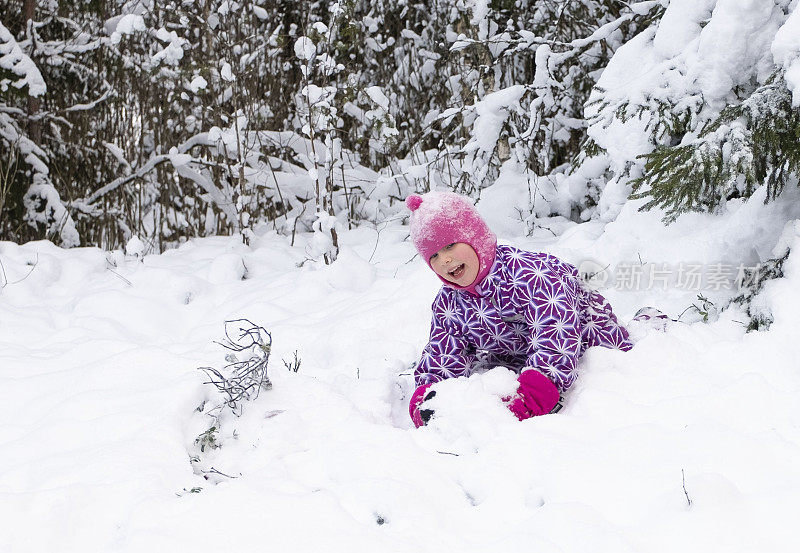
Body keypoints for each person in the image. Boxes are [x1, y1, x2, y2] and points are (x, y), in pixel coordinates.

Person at [406, 190, 638, 427]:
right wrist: (427, 403)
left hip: (585, 330)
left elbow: (555, 338)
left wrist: (528, 400)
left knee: (608, 355)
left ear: (474, 236)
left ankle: (647, 321)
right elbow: (441, 354)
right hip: (519, 350)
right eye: (433, 255)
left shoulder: (531, 277)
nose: (444, 259)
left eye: (451, 245)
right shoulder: (449, 303)